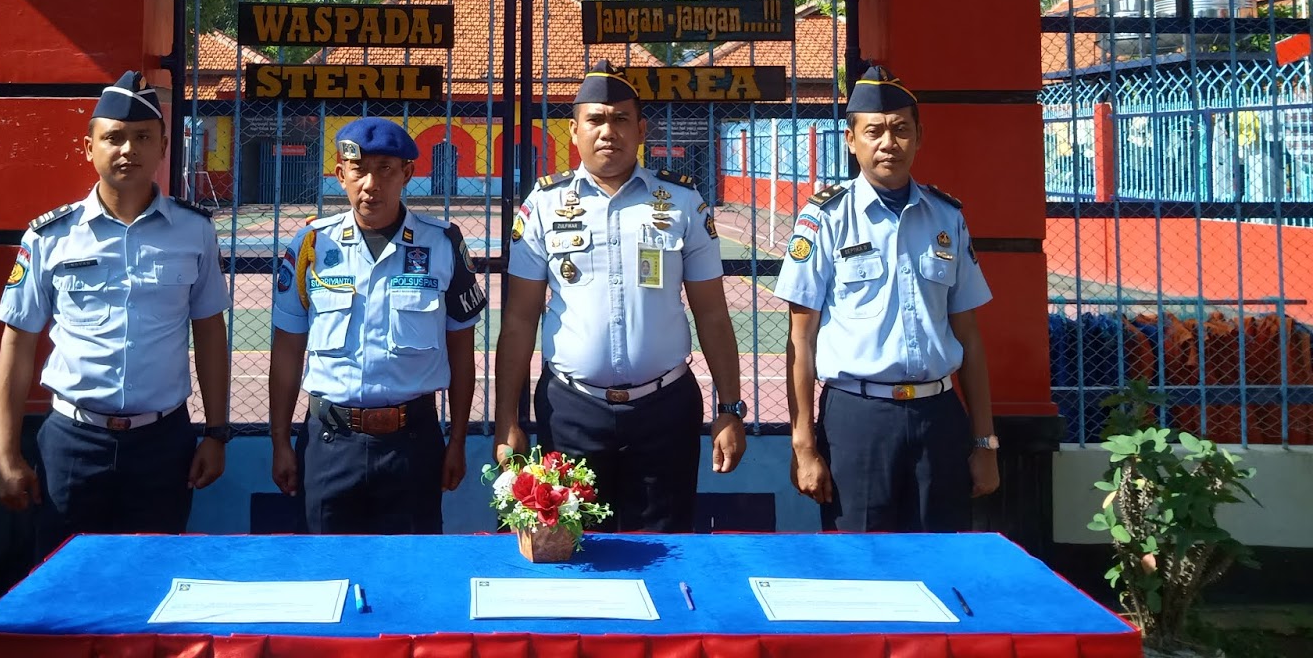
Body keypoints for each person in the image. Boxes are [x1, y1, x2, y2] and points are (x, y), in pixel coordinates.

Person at [493, 60, 748, 533]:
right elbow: (519, 321)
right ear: (573, 130)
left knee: (664, 551)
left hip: (665, 410)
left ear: (641, 129)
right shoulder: (543, 205)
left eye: (620, 118)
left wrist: (729, 409)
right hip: (571, 411)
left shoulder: (682, 203)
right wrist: (508, 419)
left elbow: (712, 314)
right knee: (569, 551)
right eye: (595, 119)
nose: (607, 130)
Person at [0, 71, 232, 556]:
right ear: (89, 148)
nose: (128, 150)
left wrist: (217, 433)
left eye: (143, 138)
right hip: (72, 442)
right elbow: (16, 344)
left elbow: (210, 335)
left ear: (164, 146)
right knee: (64, 584)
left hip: (164, 444)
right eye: (114, 138)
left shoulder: (194, 232)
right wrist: (4, 454)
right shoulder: (49, 237)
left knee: (154, 578)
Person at [777, 65, 1000, 533]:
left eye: (901, 130)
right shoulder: (826, 218)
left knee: (940, 562)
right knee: (860, 567)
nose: (888, 143)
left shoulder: (947, 217)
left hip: (938, 418)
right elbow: (801, 340)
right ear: (851, 140)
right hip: (858, 420)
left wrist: (984, 442)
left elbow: (971, 339)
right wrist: (804, 447)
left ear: (919, 136)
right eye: (874, 131)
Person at [269, 117, 486, 534]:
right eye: (359, 169)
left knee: (411, 577)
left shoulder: (442, 245)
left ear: (407, 173)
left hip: (413, 444)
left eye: (385, 168)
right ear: (340, 175)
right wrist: (279, 440)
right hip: (329, 444)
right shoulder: (311, 246)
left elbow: (462, 350)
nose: (371, 183)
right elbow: (287, 351)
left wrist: (457, 439)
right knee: (326, 572)